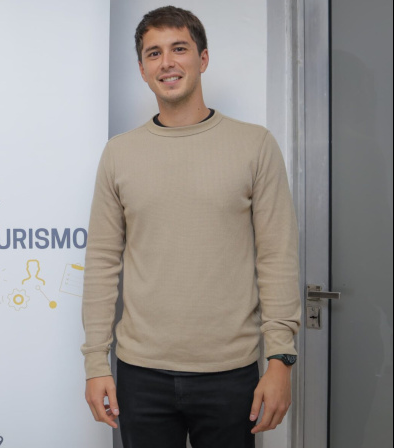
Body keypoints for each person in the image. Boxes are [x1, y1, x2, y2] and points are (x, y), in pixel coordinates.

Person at [81, 6, 301, 448]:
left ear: (202, 58)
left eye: (179, 49)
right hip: (140, 373)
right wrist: (95, 363)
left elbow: (277, 255)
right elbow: (102, 262)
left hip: (230, 372)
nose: (167, 62)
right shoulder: (119, 154)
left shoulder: (254, 145)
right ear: (142, 69)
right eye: (154, 53)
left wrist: (280, 358)